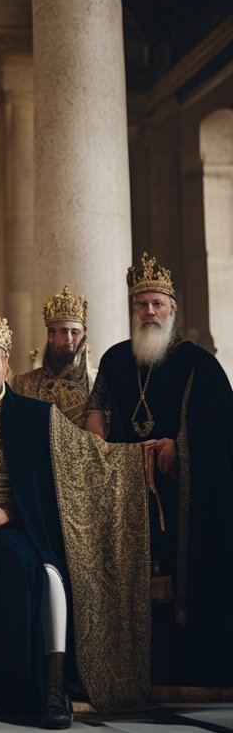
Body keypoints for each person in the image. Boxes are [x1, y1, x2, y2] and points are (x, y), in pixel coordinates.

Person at [0, 304, 152, 726]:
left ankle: (48, 692)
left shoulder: (40, 418)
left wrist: (12, 509)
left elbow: (86, 461)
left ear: (7, 366)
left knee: (33, 568)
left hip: (18, 522)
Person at [85, 253, 233, 688]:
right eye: (141, 304)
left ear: (172, 309)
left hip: (181, 496)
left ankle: (189, 669)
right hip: (123, 492)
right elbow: (96, 417)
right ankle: (127, 673)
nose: (149, 312)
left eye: (157, 304)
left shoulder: (199, 364)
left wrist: (179, 450)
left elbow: (223, 436)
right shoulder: (114, 360)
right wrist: (104, 455)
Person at [10, 286, 95, 427]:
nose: (69, 338)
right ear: (50, 335)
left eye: (74, 332)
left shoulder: (96, 384)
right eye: (63, 331)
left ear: (83, 335)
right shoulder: (23, 384)